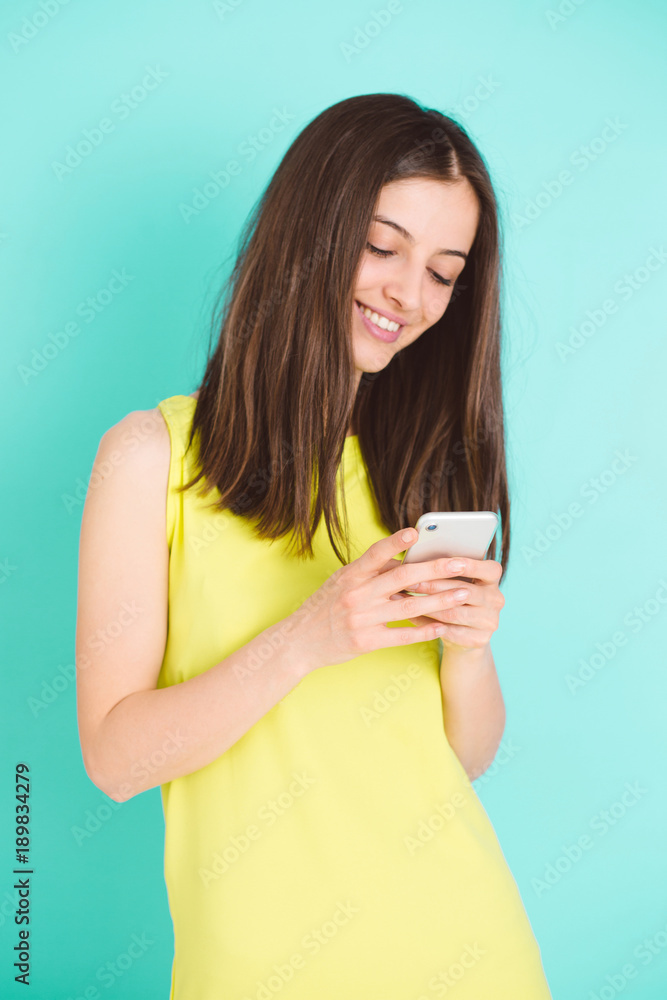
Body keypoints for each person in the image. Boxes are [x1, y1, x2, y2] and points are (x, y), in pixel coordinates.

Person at [75, 93, 553, 998]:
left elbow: (463, 755)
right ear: (311, 229)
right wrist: (307, 639)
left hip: (471, 958)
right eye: (383, 247)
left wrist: (468, 647)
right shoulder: (151, 460)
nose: (408, 296)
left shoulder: (421, 472)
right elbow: (113, 760)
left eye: (445, 273)